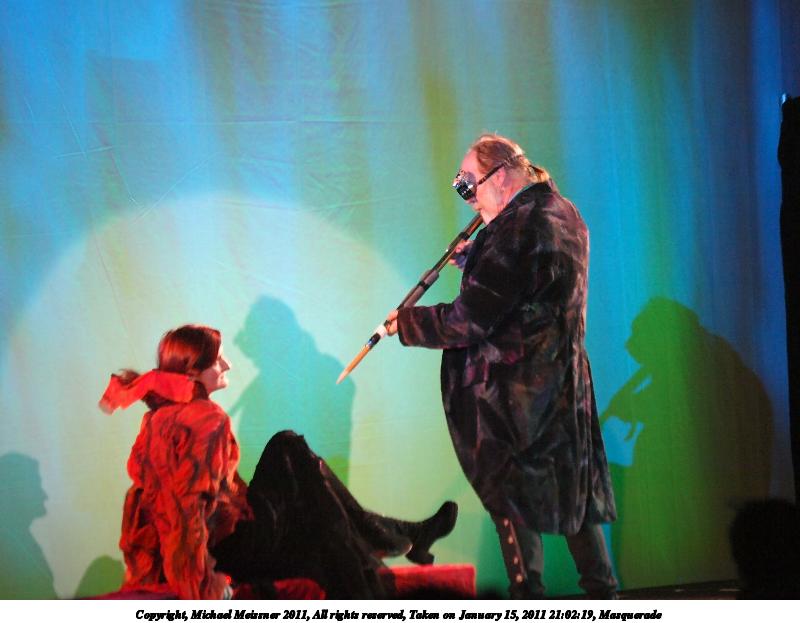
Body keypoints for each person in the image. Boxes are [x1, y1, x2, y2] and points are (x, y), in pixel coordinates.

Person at [385, 133, 617, 598]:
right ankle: (604, 594)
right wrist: (480, 256)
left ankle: (526, 599)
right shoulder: (563, 213)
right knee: (571, 491)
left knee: (510, 496)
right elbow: (529, 285)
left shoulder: (518, 226)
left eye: (468, 183)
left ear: (502, 175)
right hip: (562, 381)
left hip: (516, 394)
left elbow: (470, 319)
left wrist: (407, 322)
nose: (467, 196)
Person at [100, 324, 457, 599]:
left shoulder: (158, 417)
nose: (228, 364)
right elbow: (187, 508)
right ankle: (389, 541)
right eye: (218, 359)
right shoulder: (204, 419)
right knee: (289, 450)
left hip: (223, 537)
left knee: (306, 491)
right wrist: (199, 586)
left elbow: (156, 506)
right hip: (231, 547)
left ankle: (396, 537)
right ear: (193, 372)